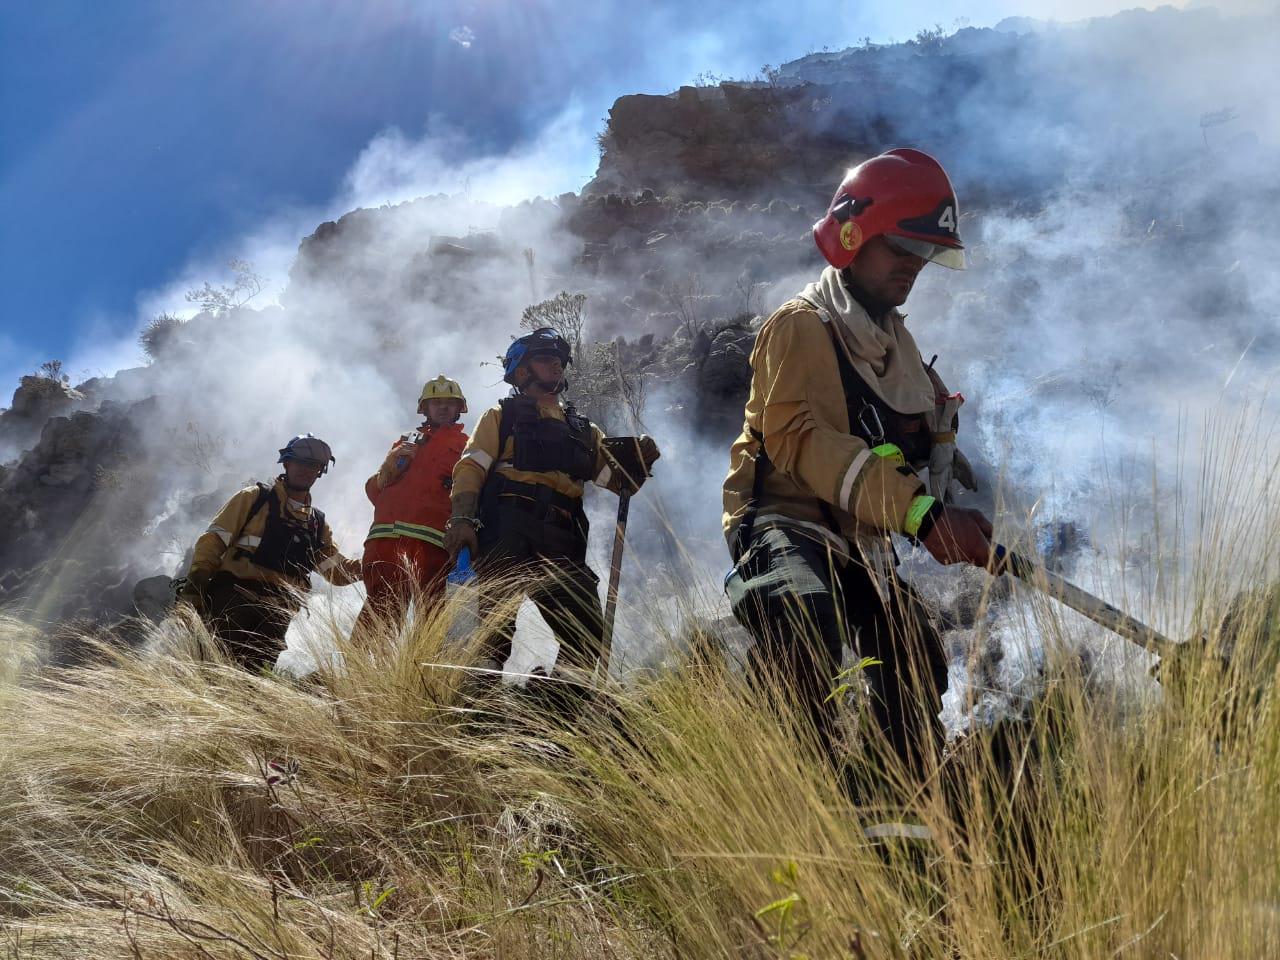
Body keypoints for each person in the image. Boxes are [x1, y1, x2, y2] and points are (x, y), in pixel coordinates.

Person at [721, 148, 992, 776]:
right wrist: (923, 516)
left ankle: (896, 800)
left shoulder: (895, 340)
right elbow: (805, 443)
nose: (913, 269)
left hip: (859, 537)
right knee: (801, 618)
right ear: (853, 237)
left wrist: (950, 500)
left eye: (924, 255)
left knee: (916, 658)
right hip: (784, 522)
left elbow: (912, 438)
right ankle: (775, 789)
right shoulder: (801, 326)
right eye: (900, 249)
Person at [443, 327, 658, 711]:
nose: (555, 364)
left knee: (586, 631)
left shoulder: (584, 430)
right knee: (492, 628)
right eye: (544, 358)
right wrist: (461, 518)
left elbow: (615, 482)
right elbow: (470, 469)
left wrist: (637, 463)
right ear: (520, 371)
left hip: (564, 534)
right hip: (508, 526)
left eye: (558, 359)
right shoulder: (501, 417)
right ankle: (478, 710)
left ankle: (555, 707)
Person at [179, 434, 362, 672]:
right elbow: (212, 543)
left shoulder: (316, 524)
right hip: (233, 602)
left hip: (277, 616)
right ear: (287, 463)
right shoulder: (254, 499)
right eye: (301, 462)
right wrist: (195, 590)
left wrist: (372, 566)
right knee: (214, 675)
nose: (307, 470)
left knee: (251, 688)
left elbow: (336, 573)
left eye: (314, 465)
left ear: (320, 471)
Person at [352, 376, 469, 644]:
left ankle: (419, 682)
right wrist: (386, 471)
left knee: (431, 624)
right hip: (387, 544)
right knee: (380, 617)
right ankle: (356, 680)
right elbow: (375, 491)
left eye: (448, 403)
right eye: (435, 402)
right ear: (424, 409)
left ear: (458, 408)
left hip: (435, 548)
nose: (442, 408)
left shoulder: (466, 446)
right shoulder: (406, 442)